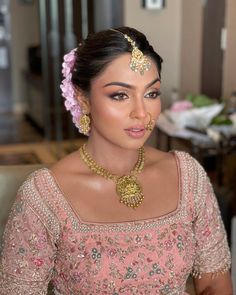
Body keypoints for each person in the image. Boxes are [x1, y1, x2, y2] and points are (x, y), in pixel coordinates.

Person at [0, 27, 233, 295]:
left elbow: (215, 283)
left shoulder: (188, 176)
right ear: (82, 98)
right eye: (120, 95)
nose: (141, 113)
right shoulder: (43, 198)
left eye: (151, 93)